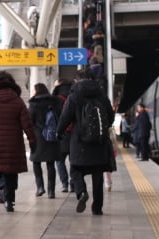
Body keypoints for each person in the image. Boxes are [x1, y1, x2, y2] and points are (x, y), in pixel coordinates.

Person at [56, 69, 114, 215]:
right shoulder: (101, 95)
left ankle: (82, 193)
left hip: (80, 141)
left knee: (75, 170)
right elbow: (111, 117)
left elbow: (65, 117)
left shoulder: (74, 96)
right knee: (98, 174)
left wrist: (59, 132)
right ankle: (97, 208)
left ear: (77, 80)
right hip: (99, 142)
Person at [0, 70, 35, 212]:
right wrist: (32, 140)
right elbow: (27, 123)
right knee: (10, 174)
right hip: (13, 144)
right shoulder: (17, 100)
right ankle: (9, 201)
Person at [29, 83, 63, 199]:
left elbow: (29, 121)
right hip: (51, 136)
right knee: (50, 164)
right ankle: (51, 191)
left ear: (37, 91)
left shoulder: (33, 103)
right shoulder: (55, 102)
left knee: (36, 162)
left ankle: (40, 187)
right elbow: (60, 116)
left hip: (38, 136)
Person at [52, 79, 73, 193]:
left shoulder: (56, 98)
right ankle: (74, 184)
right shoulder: (74, 95)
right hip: (74, 133)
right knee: (73, 160)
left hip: (61, 133)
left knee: (60, 161)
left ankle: (65, 184)